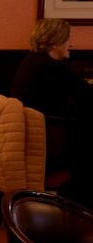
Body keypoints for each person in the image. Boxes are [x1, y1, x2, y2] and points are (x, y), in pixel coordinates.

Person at [10, 18, 93, 207]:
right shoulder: (52, 68)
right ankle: (78, 197)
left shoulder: (34, 60)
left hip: (36, 131)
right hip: (49, 138)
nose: (69, 44)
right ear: (55, 43)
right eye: (67, 39)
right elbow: (85, 93)